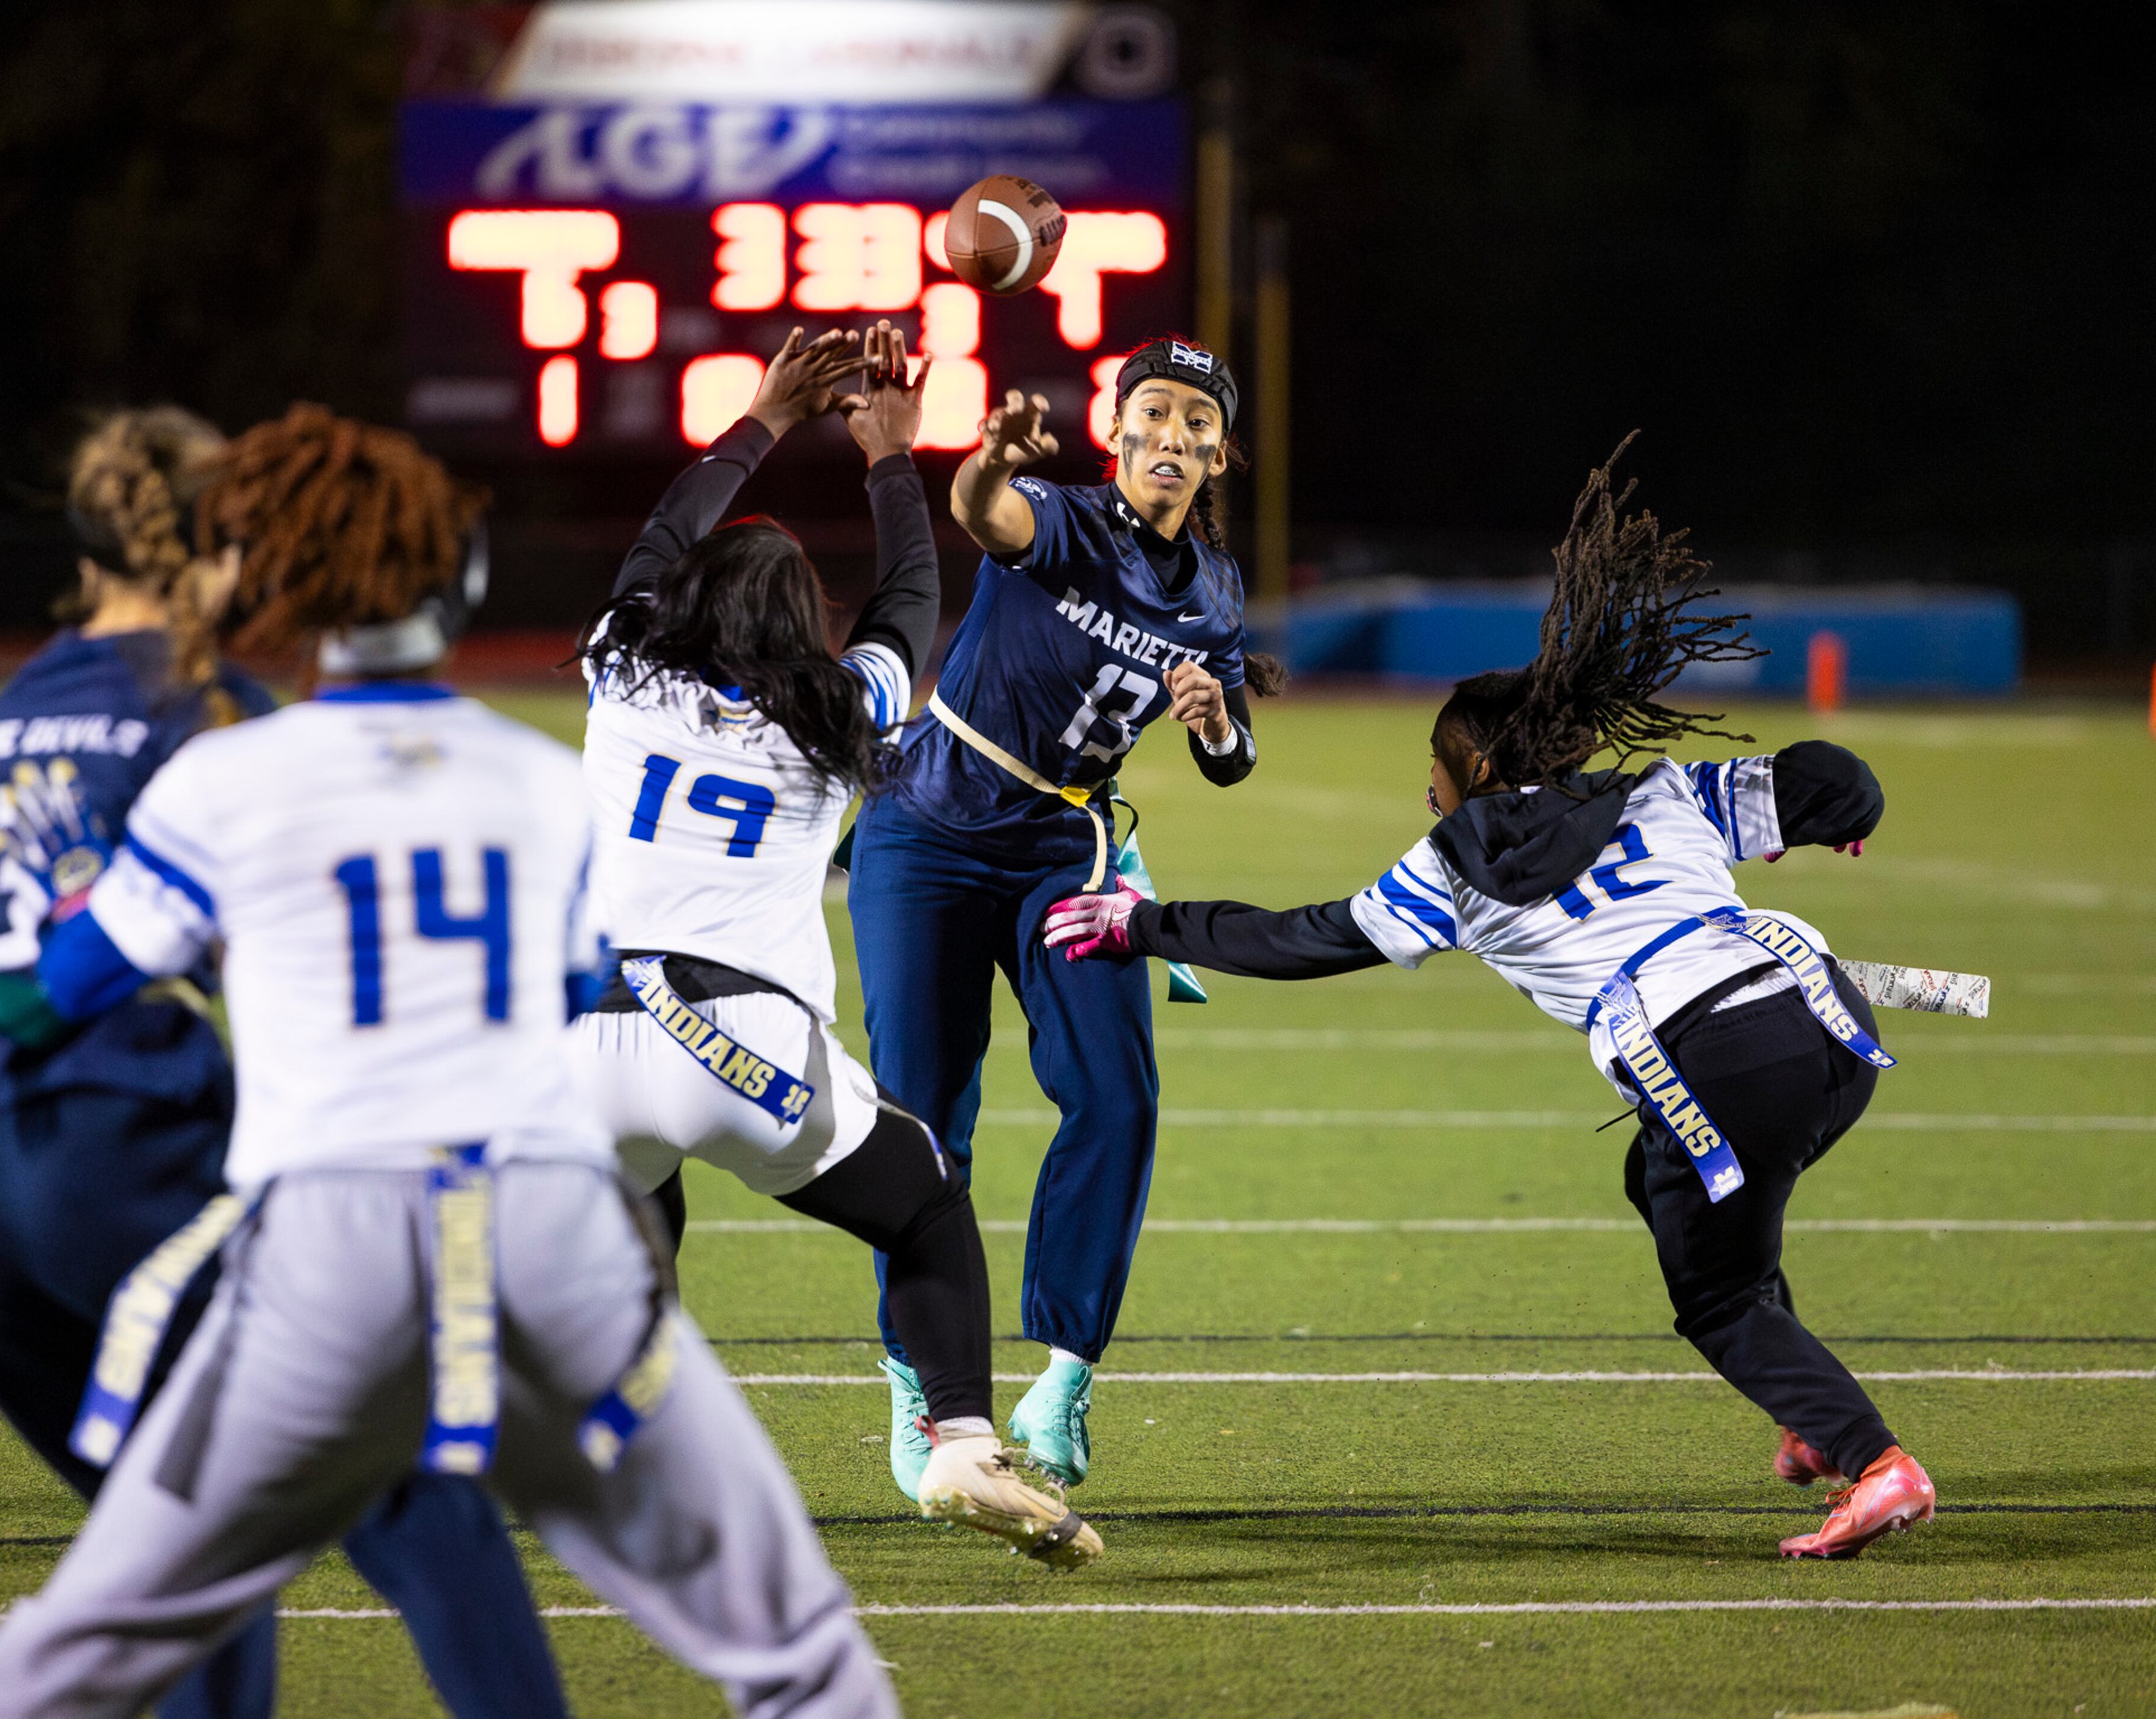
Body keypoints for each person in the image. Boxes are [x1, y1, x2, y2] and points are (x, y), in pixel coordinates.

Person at [0, 404, 896, 1718]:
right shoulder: (546, 787)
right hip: (550, 1243)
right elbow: (559, 989)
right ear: (464, 586)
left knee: (94, 1636)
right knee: (797, 1646)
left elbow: (63, 988)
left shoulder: (229, 778)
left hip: (317, 1257)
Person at [1042, 439, 1938, 1560]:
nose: (1426, 783)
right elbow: (1841, 780)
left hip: (1716, 1061)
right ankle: (1809, 1406)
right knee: (1664, 1180)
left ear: (1466, 764)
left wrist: (1142, 924)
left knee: (1713, 1301)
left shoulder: (1456, 862)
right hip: (1826, 1027)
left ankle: (1874, 1460)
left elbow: (1302, 939)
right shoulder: (1661, 793)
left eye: (1435, 762)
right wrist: (1835, 815)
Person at [0, 406, 568, 1718]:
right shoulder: (217, 710)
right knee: (423, 1499)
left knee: (193, 1555)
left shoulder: (14, 704)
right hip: (123, 1158)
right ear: (213, 543)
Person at [568, 321, 1098, 1566]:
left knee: (640, 1204)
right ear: (805, 625)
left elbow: (657, 543)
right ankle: (962, 1439)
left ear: (682, 606)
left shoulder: (623, 672)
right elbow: (914, 598)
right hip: (744, 1041)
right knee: (922, 1213)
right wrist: (889, 460)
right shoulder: (834, 709)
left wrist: (762, 418)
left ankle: (613, 1447)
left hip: (584, 1044)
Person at [845, 335, 1280, 1487]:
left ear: (1219, 455)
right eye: (1153, 412)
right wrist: (985, 459)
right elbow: (988, 515)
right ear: (1117, 431)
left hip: (1064, 851)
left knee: (1117, 1097)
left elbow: (1233, 758)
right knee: (926, 1119)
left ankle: (1062, 1381)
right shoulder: (1064, 518)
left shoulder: (1219, 590)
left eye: (1197, 420)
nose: (1172, 435)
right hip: (930, 830)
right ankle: (919, 1385)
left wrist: (1215, 724)